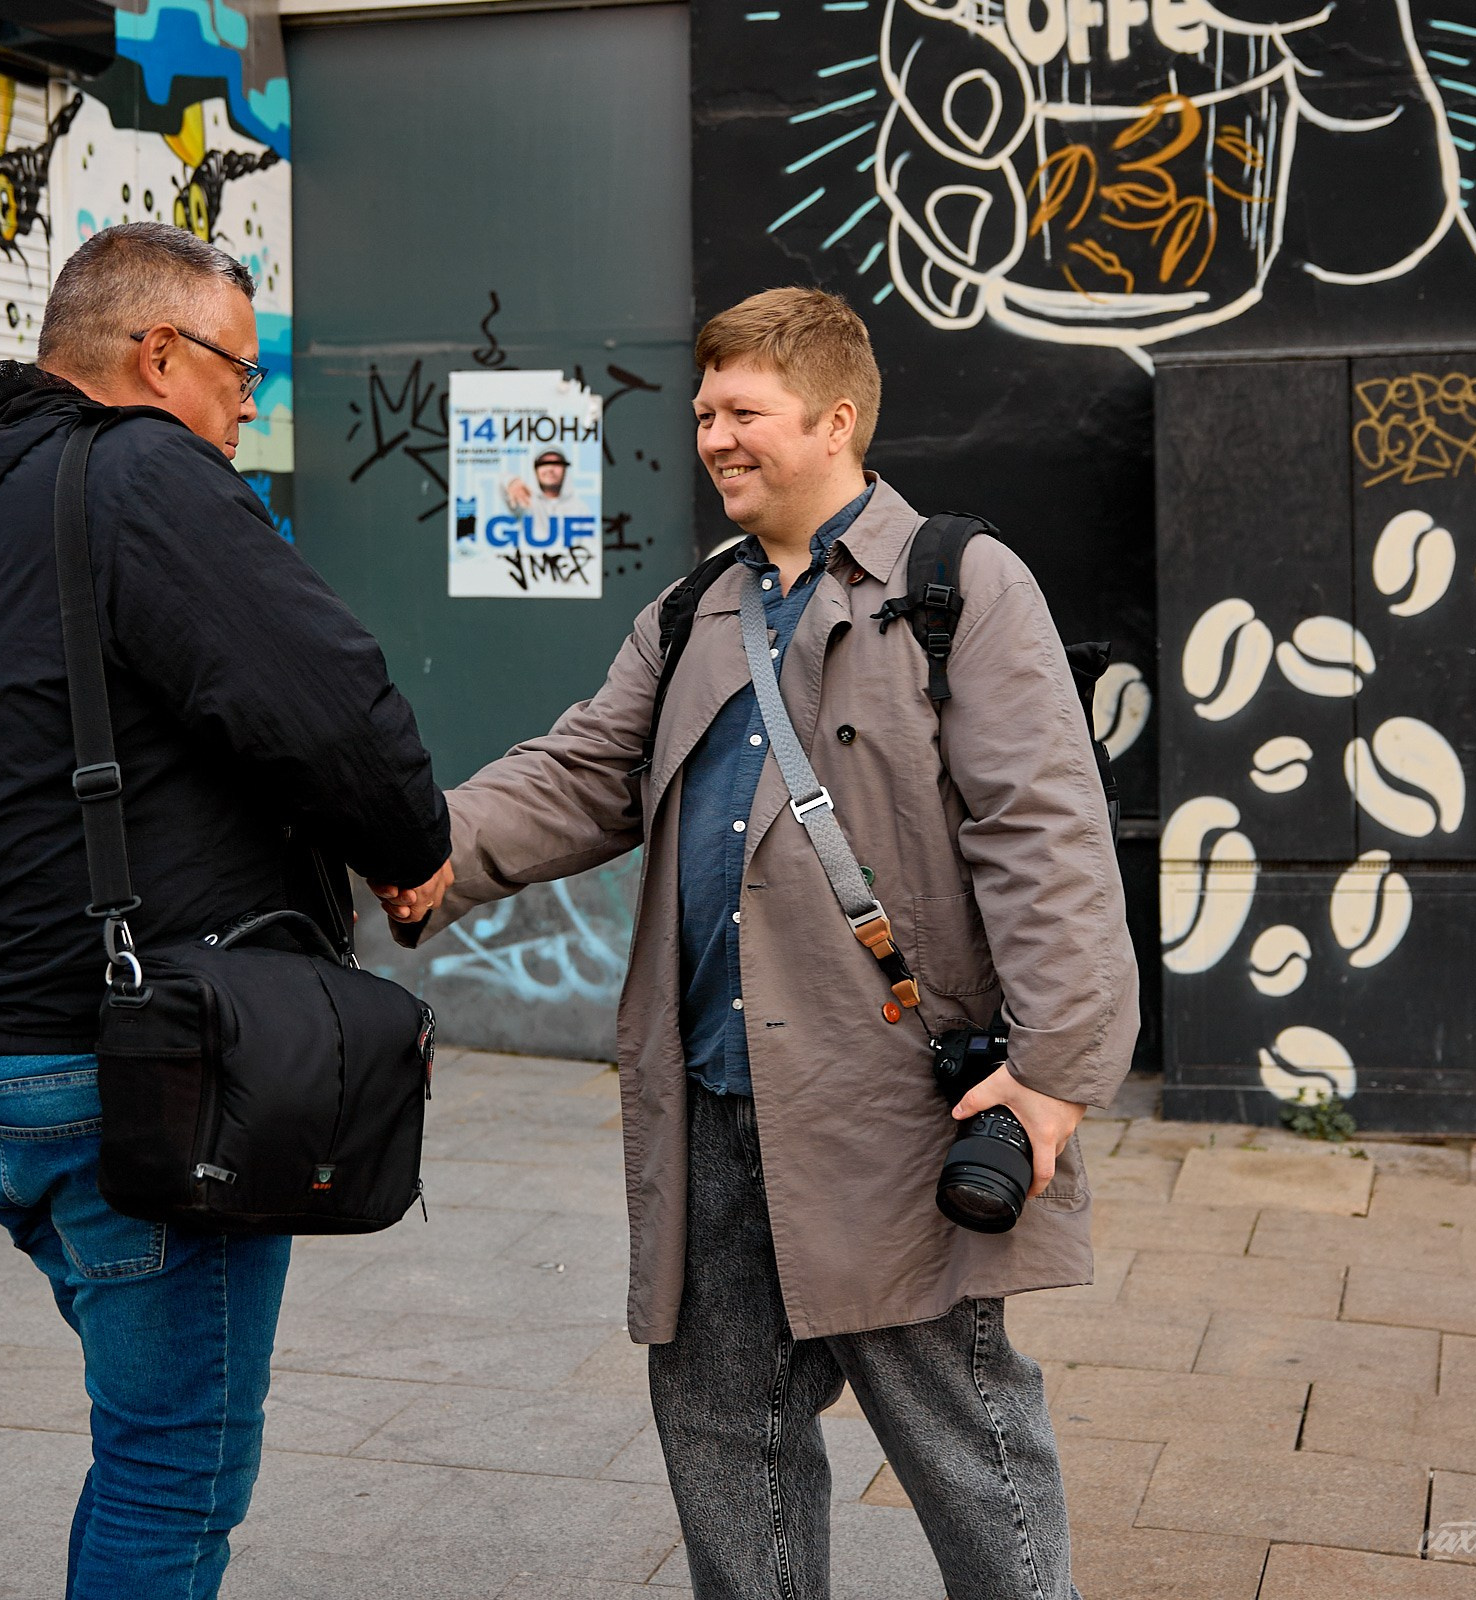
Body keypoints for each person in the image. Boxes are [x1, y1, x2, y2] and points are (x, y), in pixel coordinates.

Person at [376, 287, 1137, 1600]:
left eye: (745, 411)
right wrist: (413, 850)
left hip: (889, 1107)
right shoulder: (697, 609)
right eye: (706, 411)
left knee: (963, 1437)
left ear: (837, 418)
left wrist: (1057, 1075)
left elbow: (1046, 837)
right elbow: (580, 771)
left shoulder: (957, 585)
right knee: (727, 1434)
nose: (715, 435)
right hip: (712, 1103)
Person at [0, 221, 454, 1598]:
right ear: (159, 354)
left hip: (0, 1059)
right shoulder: (141, 476)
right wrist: (408, 843)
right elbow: (325, 695)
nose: (246, 414)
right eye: (243, 379)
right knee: (177, 1462)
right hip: (133, 1061)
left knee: (148, 1435)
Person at [502, 447, 573, 512]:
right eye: (544, 463)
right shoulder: (524, 501)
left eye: (557, 463)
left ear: (565, 470)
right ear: (535, 470)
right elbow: (501, 482)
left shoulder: (580, 509)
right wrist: (512, 482)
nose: (550, 468)